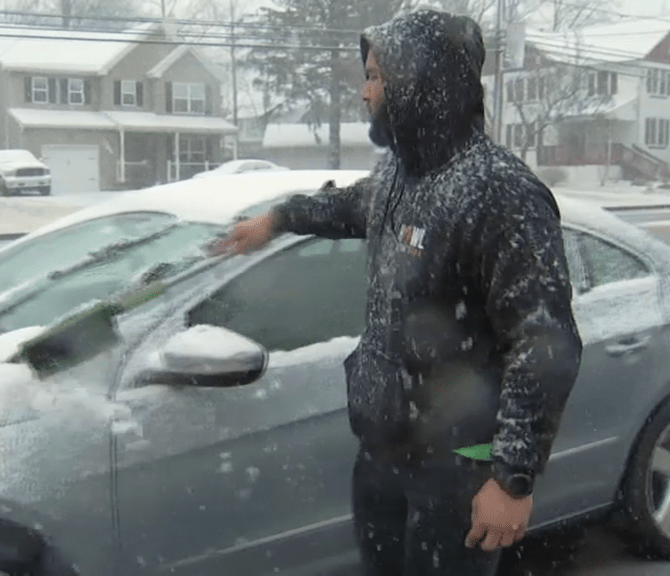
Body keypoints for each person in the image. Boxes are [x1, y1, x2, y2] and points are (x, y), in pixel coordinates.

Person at [217, 9, 583, 576]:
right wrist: (281, 216)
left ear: (421, 84)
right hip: (386, 452)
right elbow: (350, 205)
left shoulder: (500, 194)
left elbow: (543, 343)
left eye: (376, 77)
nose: (364, 94)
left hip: (461, 464)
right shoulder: (401, 174)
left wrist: (512, 477)